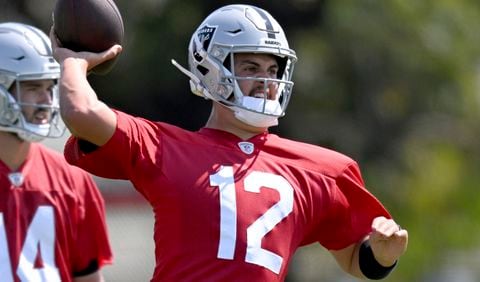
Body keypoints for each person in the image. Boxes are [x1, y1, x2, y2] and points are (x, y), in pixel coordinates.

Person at [51, 4, 408, 281]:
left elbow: (356, 259)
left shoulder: (319, 170)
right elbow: (81, 112)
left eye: (272, 70)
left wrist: (383, 254)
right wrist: (73, 63)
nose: (266, 81)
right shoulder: (166, 148)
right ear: (210, 69)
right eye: (250, 68)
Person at [0, 22, 112, 282]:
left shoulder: (72, 180)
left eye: (49, 86)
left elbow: (88, 277)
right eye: (32, 87)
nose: (46, 100)